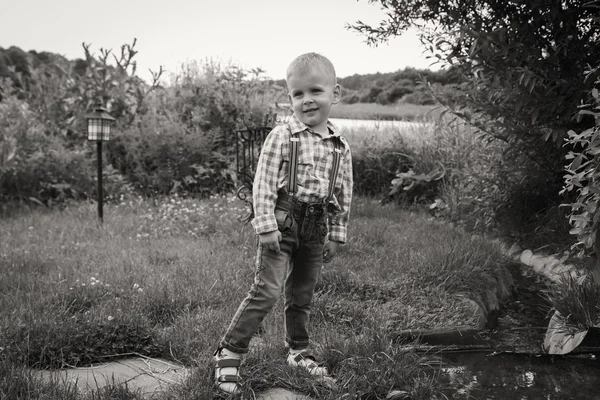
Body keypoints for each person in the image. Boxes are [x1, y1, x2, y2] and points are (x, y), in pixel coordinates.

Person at [213, 52, 353, 394]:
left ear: (335, 94)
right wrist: (265, 224)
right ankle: (229, 353)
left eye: (316, 91)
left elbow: (344, 190)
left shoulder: (340, 147)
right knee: (267, 290)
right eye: (298, 94)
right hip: (282, 223)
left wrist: (337, 232)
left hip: (317, 227)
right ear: (289, 97)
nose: (307, 100)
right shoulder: (282, 136)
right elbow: (263, 183)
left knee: (302, 293)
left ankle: (299, 351)